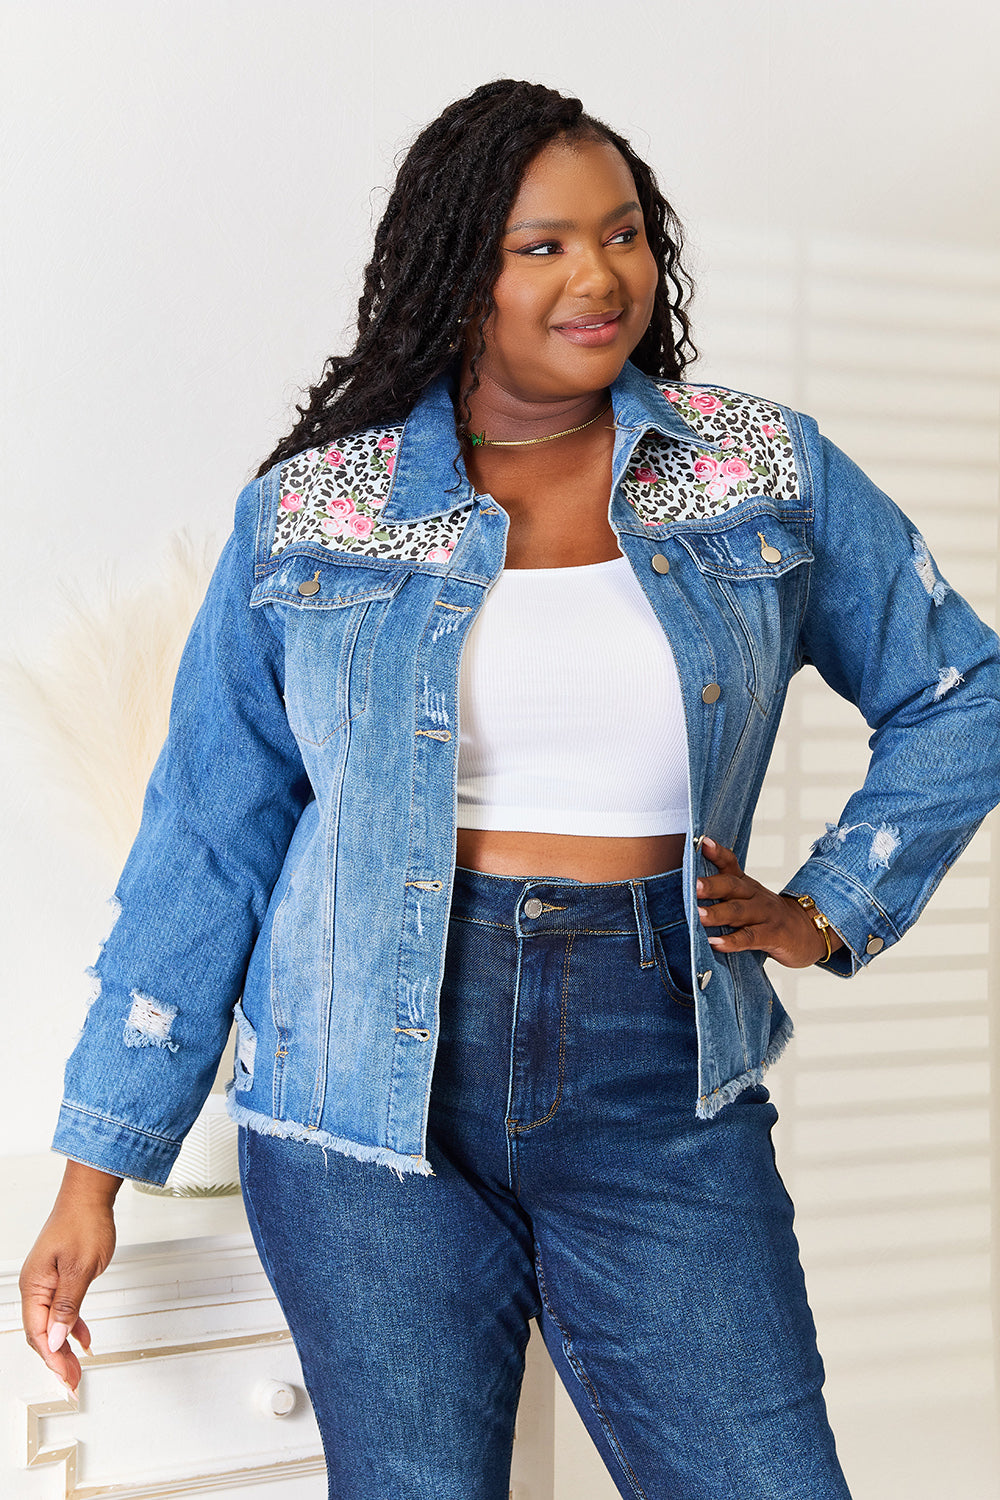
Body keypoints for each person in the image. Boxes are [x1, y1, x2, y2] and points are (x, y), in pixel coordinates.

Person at [19, 78, 1000, 1500]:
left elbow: (960, 687)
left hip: (659, 1068)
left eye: (621, 236)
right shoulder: (317, 511)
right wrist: (94, 1168)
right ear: (454, 268)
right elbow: (209, 842)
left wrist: (832, 905)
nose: (598, 278)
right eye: (541, 246)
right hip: (359, 1096)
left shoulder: (753, 471)